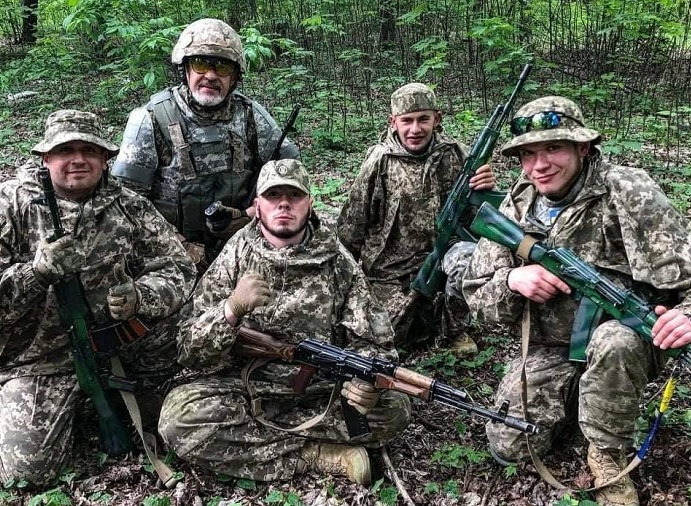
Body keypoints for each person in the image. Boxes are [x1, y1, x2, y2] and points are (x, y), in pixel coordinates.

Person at [461, 96, 691, 506]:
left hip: (625, 339)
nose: (539, 165)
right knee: (508, 445)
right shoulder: (518, 202)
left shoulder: (628, 191)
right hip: (551, 345)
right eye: (528, 154)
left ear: (582, 147)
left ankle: (606, 452)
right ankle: (582, 399)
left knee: (615, 341)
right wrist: (513, 279)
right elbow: (476, 293)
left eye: (553, 148)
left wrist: (687, 313)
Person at [158, 159, 411, 486]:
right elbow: (189, 350)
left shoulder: (337, 260)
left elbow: (375, 341)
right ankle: (314, 454)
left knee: (395, 408)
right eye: (273, 195)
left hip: (322, 389)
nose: (284, 204)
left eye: (294, 195)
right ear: (257, 206)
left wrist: (367, 384)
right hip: (249, 387)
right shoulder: (236, 254)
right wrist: (230, 310)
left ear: (310, 203)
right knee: (178, 419)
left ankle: (266, 440)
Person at [0, 110, 196, 485]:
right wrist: (35, 274)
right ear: (45, 157)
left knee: (193, 322)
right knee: (30, 471)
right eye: (65, 150)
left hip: (119, 344)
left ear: (106, 158)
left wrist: (141, 296)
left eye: (89, 150)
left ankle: (147, 393)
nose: (78, 160)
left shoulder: (129, 205)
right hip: (39, 358)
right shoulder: (10, 206)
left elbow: (179, 268)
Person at [111, 18, 299, 273]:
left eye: (222, 67)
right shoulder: (152, 119)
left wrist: (252, 213)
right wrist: (180, 245)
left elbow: (290, 176)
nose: (210, 75)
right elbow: (126, 201)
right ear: (185, 69)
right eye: (200, 64)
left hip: (245, 244)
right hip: (169, 254)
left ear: (234, 76)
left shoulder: (251, 116)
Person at [337, 83, 496, 354]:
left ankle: (453, 330)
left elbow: (481, 218)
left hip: (444, 257)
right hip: (390, 272)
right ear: (393, 122)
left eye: (423, 119)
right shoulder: (380, 162)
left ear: (437, 118)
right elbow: (351, 226)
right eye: (406, 121)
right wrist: (345, 283)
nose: (415, 129)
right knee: (385, 338)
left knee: (468, 260)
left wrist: (486, 188)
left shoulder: (456, 154)